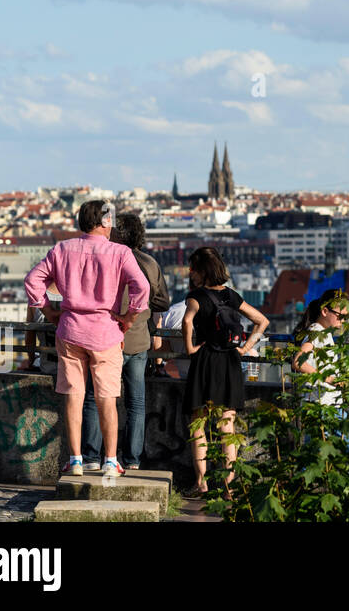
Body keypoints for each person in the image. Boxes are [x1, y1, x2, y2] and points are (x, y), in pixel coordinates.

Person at [24, 199, 151, 478]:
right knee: (107, 398)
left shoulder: (62, 248)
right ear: (106, 222)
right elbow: (142, 287)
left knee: (74, 397)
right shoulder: (119, 252)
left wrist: (48, 310)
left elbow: (33, 281)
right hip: (105, 332)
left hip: (70, 330)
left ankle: (77, 460)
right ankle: (110, 461)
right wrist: (129, 318)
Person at [82, 213, 171, 471]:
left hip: (105, 339)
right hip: (138, 340)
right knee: (136, 404)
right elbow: (162, 302)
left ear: (118, 234)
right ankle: (132, 461)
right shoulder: (150, 263)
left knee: (94, 397)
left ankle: (91, 457)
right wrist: (141, 310)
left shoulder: (107, 258)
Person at [181, 246, 268, 497]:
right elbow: (262, 320)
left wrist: (189, 348)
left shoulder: (196, 296)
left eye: (193, 268)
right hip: (230, 361)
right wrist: (244, 348)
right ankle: (229, 487)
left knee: (198, 425)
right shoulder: (231, 295)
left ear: (201, 271)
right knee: (226, 426)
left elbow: (187, 321)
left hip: (206, 360)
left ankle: (201, 483)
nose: (190, 272)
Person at [291, 295, 349, 456]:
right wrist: (328, 378)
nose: (343, 320)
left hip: (321, 403)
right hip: (323, 405)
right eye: (340, 316)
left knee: (314, 455)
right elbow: (298, 362)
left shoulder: (325, 333)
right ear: (325, 311)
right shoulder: (316, 332)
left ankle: (303, 480)